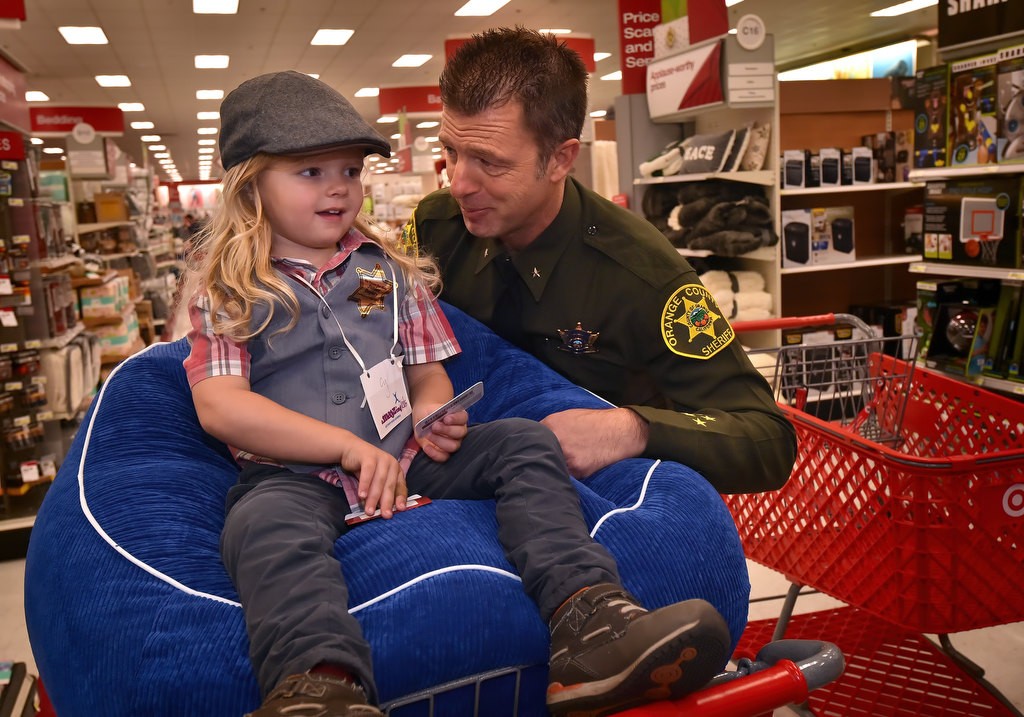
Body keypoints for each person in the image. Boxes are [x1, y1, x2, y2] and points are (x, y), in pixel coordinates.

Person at [183, 70, 731, 717]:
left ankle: (589, 619)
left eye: (351, 171)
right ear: (252, 183)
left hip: (409, 455)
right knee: (259, 525)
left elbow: (426, 368)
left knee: (524, 440)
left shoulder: (387, 270)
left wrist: (431, 412)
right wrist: (346, 448)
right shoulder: (229, 288)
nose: (339, 187)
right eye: (310, 172)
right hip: (294, 476)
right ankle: (320, 681)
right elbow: (221, 403)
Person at [404, 27, 797, 493]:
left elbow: (768, 441)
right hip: (462, 480)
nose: (459, 183)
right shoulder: (436, 226)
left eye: (489, 162)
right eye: (451, 151)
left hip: (588, 507)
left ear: (560, 159)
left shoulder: (642, 276)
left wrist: (631, 430)